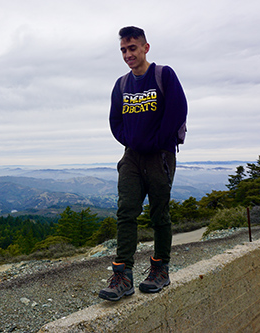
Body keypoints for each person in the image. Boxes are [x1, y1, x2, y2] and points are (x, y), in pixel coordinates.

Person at [99, 26, 187, 301]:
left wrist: (156, 141)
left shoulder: (164, 75)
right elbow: (115, 121)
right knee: (126, 211)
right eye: (123, 50)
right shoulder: (122, 84)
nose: (128, 54)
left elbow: (177, 110)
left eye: (132, 48)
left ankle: (160, 270)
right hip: (132, 156)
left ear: (146, 47)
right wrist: (132, 140)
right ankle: (123, 276)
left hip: (159, 155)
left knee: (159, 213)